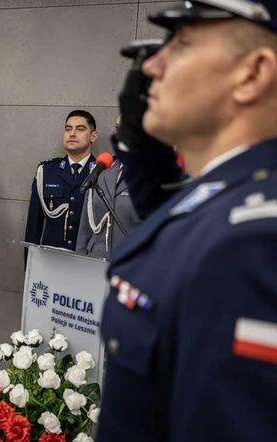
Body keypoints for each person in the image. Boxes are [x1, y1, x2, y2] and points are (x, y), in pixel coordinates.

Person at [98, 1, 277, 440]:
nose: (154, 64)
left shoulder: (252, 247)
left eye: (182, 43)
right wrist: (141, 147)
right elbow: (185, 219)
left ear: (253, 74)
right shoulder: (238, 192)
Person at [24, 110, 98, 252]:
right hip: (51, 259)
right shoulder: (46, 171)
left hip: (87, 260)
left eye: (80, 129)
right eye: (68, 129)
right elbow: (34, 225)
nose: (72, 134)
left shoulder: (104, 173)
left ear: (93, 136)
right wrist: (30, 266)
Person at [76, 157, 140, 259]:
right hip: (94, 260)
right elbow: (86, 225)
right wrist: (80, 258)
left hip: (130, 261)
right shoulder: (101, 168)